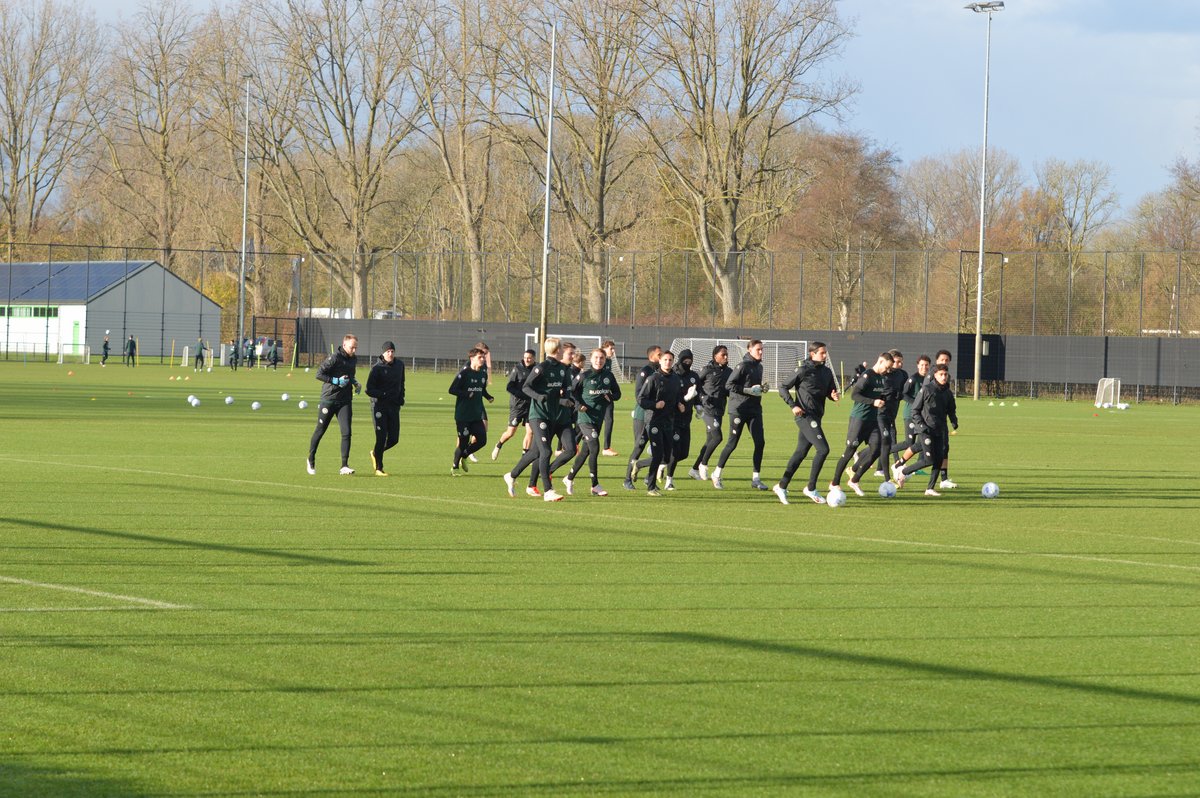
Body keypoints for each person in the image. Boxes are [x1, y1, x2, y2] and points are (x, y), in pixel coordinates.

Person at [773, 341, 840, 505]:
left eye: (825, 353)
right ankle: (811, 488)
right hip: (804, 416)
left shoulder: (827, 372)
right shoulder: (803, 369)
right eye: (822, 353)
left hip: (817, 417)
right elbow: (783, 387)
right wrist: (793, 405)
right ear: (812, 353)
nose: (825, 356)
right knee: (823, 449)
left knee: (800, 453)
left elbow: (829, 393)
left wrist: (833, 396)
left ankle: (781, 486)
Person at [502, 337, 568, 502]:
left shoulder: (562, 369)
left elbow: (566, 389)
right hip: (537, 415)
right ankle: (548, 491)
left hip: (552, 415)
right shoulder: (541, 367)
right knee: (546, 451)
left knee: (536, 452)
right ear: (557, 349)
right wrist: (538, 397)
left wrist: (567, 399)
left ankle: (512, 475)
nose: (562, 351)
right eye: (561, 348)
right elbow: (526, 387)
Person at [827, 351, 894, 496]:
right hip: (859, 419)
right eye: (887, 367)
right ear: (880, 361)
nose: (888, 371)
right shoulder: (867, 376)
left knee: (876, 449)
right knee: (850, 450)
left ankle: (854, 480)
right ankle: (835, 483)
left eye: (890, 369)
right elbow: (854, 395)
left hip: (873, 421)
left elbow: (879, 395)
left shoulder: (882, 379)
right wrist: (873, 402)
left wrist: (883, 400)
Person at [563, 348, 621, 497]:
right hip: (585, 418)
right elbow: (572, 392)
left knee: (585, 451)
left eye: (601, 358)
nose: (599, 360)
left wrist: (610, 396)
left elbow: (618, 394)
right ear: (591, 359)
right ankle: (595, 485)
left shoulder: (609, 376)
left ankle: (569, 478)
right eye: (596, 357)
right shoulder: (584, 376)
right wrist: (578, 405)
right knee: (595, 447)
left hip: (598, 418)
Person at [712, 340, 769, 491]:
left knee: (760, 442)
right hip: (738, 409)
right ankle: (716, 474)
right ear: (749, 350)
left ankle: (756, 478)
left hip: (755, 409)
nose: (761, 352)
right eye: (758, 349)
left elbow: (754, 387)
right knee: (732, 443)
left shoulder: (759, 367)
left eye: (762, 349)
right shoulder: (742, 366)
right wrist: (748, 390)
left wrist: (762, 389)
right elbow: (729, 385)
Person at [895, 364, 958, 496]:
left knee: (939, 459)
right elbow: (915, 410)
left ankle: (930, 489)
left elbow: (951, 409)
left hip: (939, 430)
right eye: (941, 374)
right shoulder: (926, 390)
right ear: (934, 375)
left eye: (945, 374)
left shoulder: (947, 392)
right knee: (929, 460)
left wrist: (953, 420)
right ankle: (903, 472)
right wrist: (922, 426)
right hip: (925, 430)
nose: (944, 377)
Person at [307, 333, 360, 475]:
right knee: (320, 430)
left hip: (345, 400)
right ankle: (311, 459)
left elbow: (350, 375)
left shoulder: (353, 359)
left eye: (356, 348)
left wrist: (355, 383)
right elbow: (319, 374)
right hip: (329, 399)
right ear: (344, 345)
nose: (354, 351)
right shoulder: (334, 358)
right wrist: (336, 381)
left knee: (347, 432)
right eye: (352, 348)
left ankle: (344, 465)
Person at [637, 350, 682, 496]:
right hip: (653, 420)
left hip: (668, 421)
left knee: (666, 456)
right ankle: (651, 487)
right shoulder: (653, 378)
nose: (668, 362)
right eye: (665, 360)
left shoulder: (675, 379)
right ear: (660, 361)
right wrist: (655, 405)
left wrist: (679, 405)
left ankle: (639, 465)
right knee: (657, 455)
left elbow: (674, 399)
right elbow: (641, 399)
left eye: (670, 360)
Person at [449, 347, 494, 474]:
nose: (483, 359)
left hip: (476, 415)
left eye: (484, 357)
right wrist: (466, 394)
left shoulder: (483, 374)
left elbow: (481, 389)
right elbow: (452, 389)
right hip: (463, 415)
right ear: (472, 358)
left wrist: (488, 396)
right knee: (463, 442)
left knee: (482, 440)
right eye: (480, 357)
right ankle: (455, 467)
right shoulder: (464, 373)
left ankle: (464, 455)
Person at [623, 346, 662, 490]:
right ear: (652, 356)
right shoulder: (645, 372)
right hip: (642, 415)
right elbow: (639, 396)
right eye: (660, 354)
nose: (662, 356)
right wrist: (654, 404)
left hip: (657, 416)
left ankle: (648, 479)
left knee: (660, 450)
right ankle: (627, 479)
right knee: (639, 446)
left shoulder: (661, 372)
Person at [690, 345, 731, 480]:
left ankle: (694, 469)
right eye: (723, 355)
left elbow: (730, 389)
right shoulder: (706, 370)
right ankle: (703, 464)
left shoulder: (729, 372)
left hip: (719, 409)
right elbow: (695, 385)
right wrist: (701, 398)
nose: (726, 357)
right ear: (715, 356)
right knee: (718, 437)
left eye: (726, 355)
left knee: (710, 441)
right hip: (707, 410)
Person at [365, 340, 406, 476]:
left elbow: (402, 383)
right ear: (383, 353)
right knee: (381, 437)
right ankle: (379, 468)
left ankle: (375, 452)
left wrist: (401, 398)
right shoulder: (376, 368)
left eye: (392, 351)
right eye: (388, 351)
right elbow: (369, 389)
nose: (390, 353)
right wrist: (383, 394)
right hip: (379, 407)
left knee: (394, 439)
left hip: (394, 406)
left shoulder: (400, 365)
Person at [664, 348, 700, 491]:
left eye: (689, 360)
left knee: (684, 453)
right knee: (675, 452)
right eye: (685, 360)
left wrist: (698, 405)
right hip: (674, 419)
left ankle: (660, 463)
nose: (687, 362)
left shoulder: (694, 376)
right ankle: (669, 481)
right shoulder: (674, 375)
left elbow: (698, 393)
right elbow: (670, 396)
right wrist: (684, 399)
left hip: (687, 419)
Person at [492, 349, 536, 461]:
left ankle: (524, 456)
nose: (527, 359)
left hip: (531, 406)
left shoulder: (537, 369)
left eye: (529, 357)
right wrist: (522, 395)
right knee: (511, 432)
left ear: (534, 358)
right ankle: (498, 445)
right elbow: (509, 387)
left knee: (530, 432)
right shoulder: (518, 369)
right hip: (518, 406)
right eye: (525, 357)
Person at [600, 339, 620, 456]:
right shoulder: (600, 361)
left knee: (609, 420)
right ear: (604, 349)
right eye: (611, 348)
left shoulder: (609, 361)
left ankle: (606, 448)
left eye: (613, 348)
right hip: (597, 396)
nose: (613, 351)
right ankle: (573, 444)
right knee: (590, 421)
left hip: (607, 396)